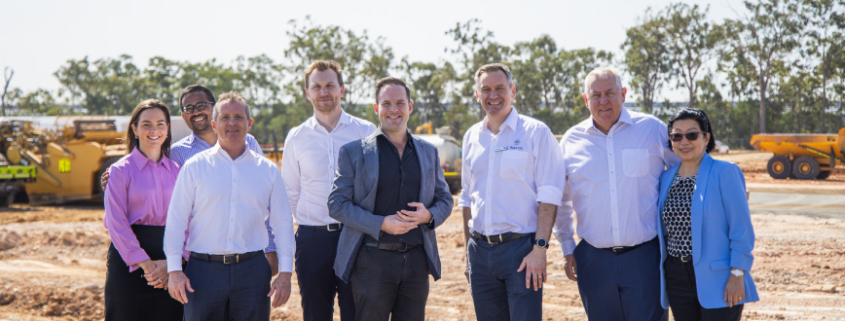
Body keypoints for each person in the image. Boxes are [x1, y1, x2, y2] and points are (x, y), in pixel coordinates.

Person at [102, 84, 280, 274]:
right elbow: (155, 184)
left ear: (214, 107)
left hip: (248, 253)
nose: (196, 112)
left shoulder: (249, 143)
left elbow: (267, 199)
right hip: (201, 256)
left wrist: (271, 249)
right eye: (188, 108)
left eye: (202, 105)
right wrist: (113, 181)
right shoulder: (177, 155)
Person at [554, 67, 679, 321]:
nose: (603, 101)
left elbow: (684, 173)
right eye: (596, 95)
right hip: (593, 261)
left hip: (646, 258)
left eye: (610, 93)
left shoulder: (652, 130)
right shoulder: (571, 141)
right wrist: (567, 247)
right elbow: (561, 201)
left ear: (623, 93)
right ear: (585, 99)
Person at [327, 77, 453, 321]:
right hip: (372, 261)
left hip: (417, 262)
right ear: (376, 108)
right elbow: (337, 204)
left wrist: (429, 215)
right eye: (386, 103)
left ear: (410, 106)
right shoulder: (353, 152)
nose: (393, 109)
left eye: (400, 103)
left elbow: (445, 199)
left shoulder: (429, 151)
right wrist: (380, 223)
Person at [164, 91, 295, 321]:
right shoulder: (194, 167)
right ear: (215, 124)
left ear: (249, 123)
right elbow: (176, 219)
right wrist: (174, 270)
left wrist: (285, 273)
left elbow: (282, 224)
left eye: (238, 117)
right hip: (203, 273)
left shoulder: (268, 171)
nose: (232, 123)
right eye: (225, 118)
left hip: (253, 272)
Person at [458, 63, 565, 321]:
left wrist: (540, 248)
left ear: (513, 91)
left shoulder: (536, 133)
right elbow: (466, 197)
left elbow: (550, 194)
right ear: (477, 95)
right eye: (486, 89)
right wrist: (467, 253)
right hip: (480, 253)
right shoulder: (472, 136)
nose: (493, 95)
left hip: (521, 252)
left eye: (500, 88)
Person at [282, 60, 375, 321]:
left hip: (357, 238)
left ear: (342, 89)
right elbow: (291, 192)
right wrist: (312, 221)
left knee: (357, 314)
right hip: (313, 241)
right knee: (315, 314)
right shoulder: (297, 137)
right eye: (317, 86)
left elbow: (374, 186)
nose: (324, 92)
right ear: (307, 92)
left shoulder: (366, 132)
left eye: (330, 85)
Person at [657, 108, 758, 321]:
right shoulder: (665, 178)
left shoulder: (726, 172)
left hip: (720, 279)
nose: (684, 141)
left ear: (706, 138)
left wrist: (737, 274)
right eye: (677, 136)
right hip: (676, 278)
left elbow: (741, 228)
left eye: (692, 135)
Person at [103, 99, 182, 321]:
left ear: (167, 129)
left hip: (169, 262)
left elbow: (188, 221)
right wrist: (146, 264)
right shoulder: (119, 171)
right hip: (128, 261)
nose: (154, 130)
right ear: (135, 129)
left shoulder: (179, 172)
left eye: (160, 124)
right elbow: (116, 222)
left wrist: (172, 263)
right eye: (146, 124)